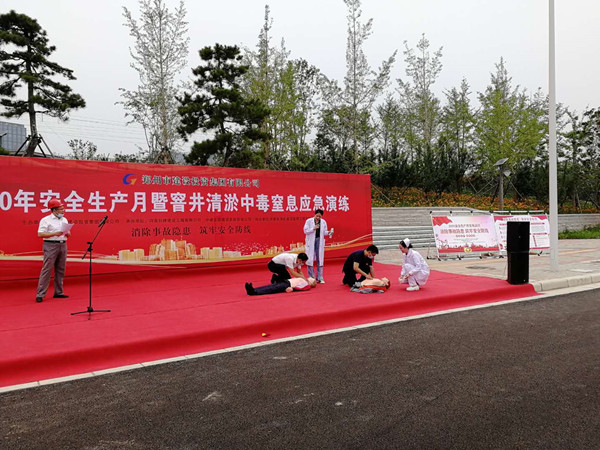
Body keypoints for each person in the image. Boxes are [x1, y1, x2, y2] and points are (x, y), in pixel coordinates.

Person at [36, 198, 71, 303]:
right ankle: (40, 294)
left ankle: (58, 292)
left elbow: (68, 234)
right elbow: (40, 234)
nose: (63, 211)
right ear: (54, 210)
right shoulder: (46, 220)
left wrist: (67, 233)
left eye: (63, 208)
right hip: (50, 245)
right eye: (61, 209)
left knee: (61, 269)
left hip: (62, 244)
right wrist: (55, 233)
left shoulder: (64, 220)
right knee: (47, 269)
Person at [303, 209, 333, 283]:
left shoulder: (323, 222)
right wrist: (313, 228)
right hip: (311, 241)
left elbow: (324, 232)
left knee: (320, 258)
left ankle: (320, 277)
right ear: (314, 214)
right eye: (317, 216)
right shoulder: (309, 221)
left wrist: (329, 232)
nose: (318, 218)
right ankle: (311, 277)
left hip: (319, 241)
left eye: (320, 216)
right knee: (310, 259)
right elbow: (305, 231)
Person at [245, 277, 317, 296]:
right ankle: (254, 289)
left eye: (312, 279)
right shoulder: (304, 280)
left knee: (271, 288)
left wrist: (292, 289)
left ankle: (254, 292)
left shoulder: (307, 285)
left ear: (311, 282)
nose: (310, 277)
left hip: (288, 285)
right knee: (270, 286)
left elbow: (300, 287)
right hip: (287, 282)